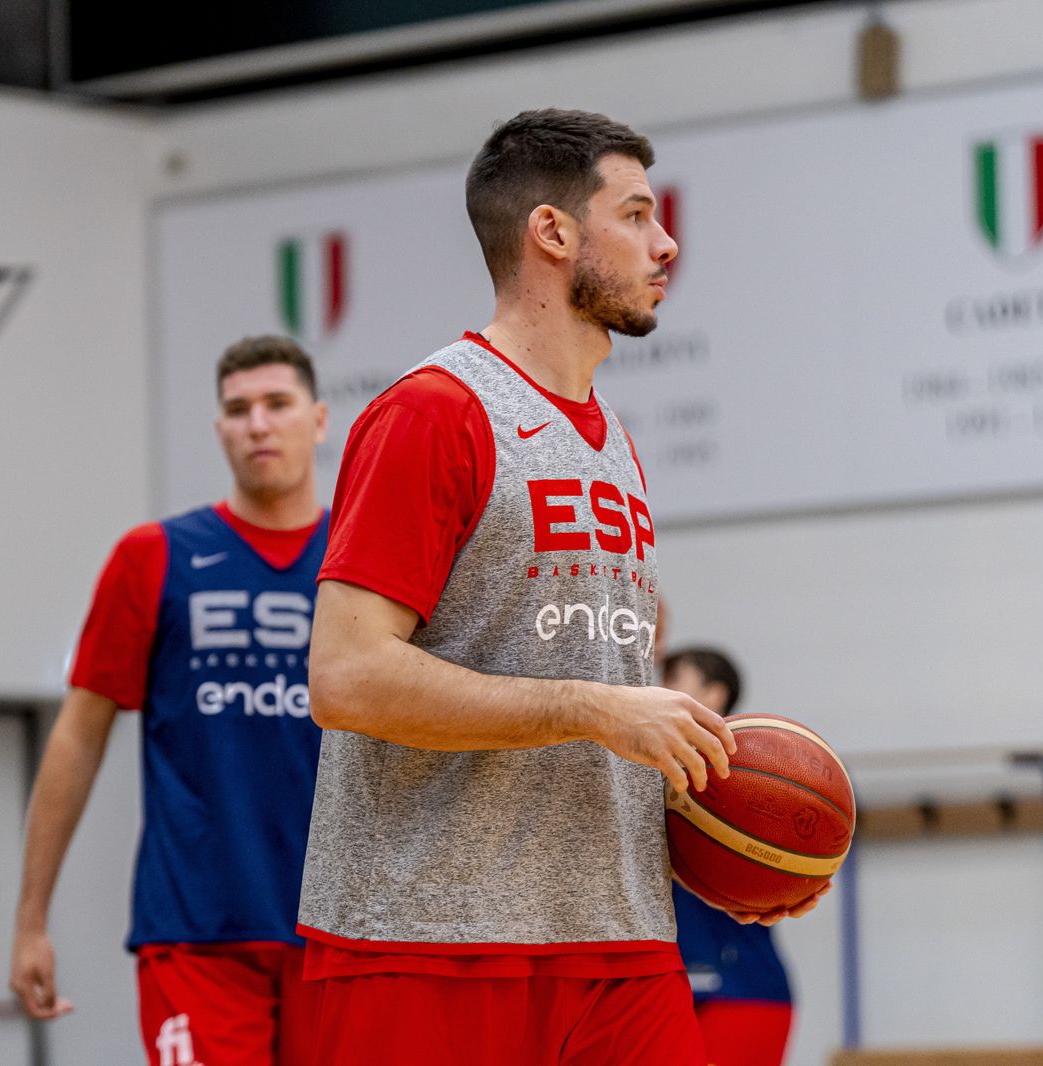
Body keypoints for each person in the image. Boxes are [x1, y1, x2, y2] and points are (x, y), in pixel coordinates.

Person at [299, 108, 826, 1066]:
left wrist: (729, 837)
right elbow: (344, 677)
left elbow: (596, 709)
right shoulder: (433, 412)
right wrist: (590, 709)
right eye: (636, 215)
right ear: (553, 232)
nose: (666, 244)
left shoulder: (612, 440)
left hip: (621, 943)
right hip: (428, 944)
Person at [9, 335, 329, 1066]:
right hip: (195, 931)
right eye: (237, 409)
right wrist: (30, 920)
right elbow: (78, 737)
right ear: (219, 428)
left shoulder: (360, 558)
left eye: (277, 404)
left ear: (318, 419)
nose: (257, 424)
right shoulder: (154, 556)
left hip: (340, 934)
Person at [664, 646, 796, 1066]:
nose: (660, 690)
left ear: (715, 694)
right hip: (679, 987)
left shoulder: (746, 777)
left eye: (674, 681)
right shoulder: (654, 770)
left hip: (744, 989)